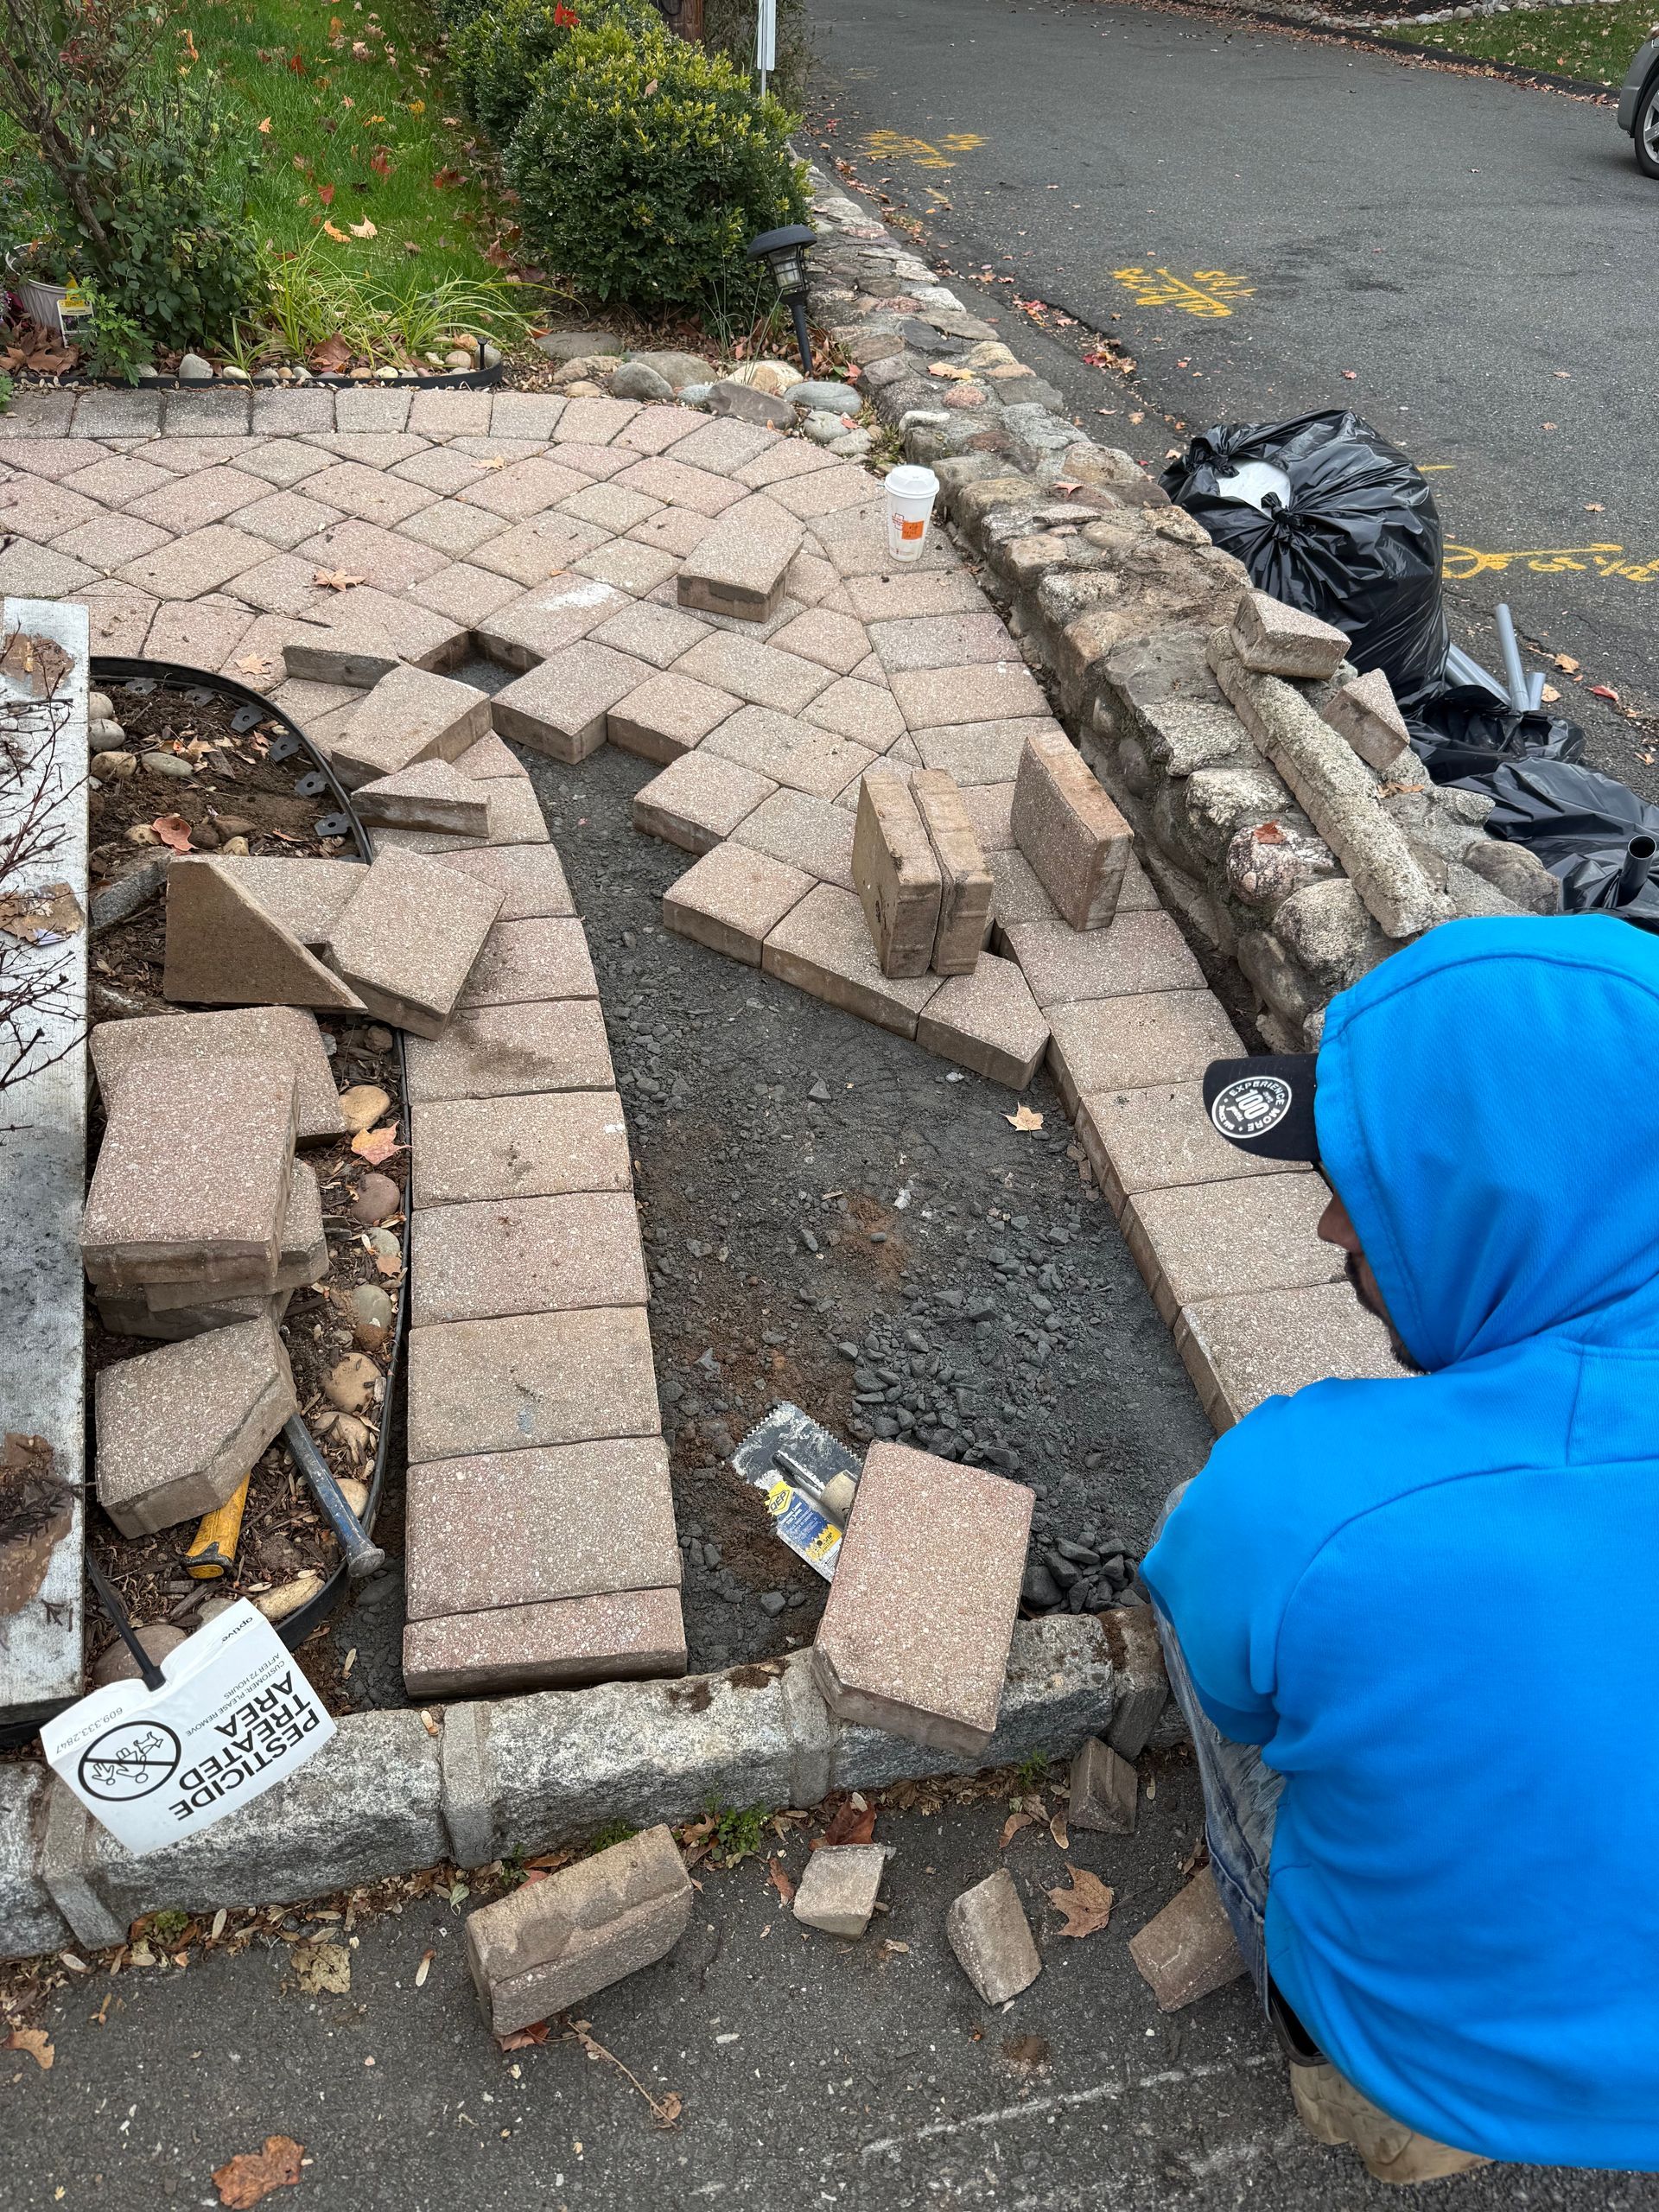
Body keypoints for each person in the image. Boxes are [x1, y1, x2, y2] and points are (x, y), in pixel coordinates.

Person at [1141, 914, 1659, 2183]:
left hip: (1430, 2061)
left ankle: (1389, 2114)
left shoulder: (1306, 1494)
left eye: (1366, 1190)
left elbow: (1245, 1705)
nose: (1332, 1230)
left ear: (1503, 1204)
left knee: (1197, 1554)